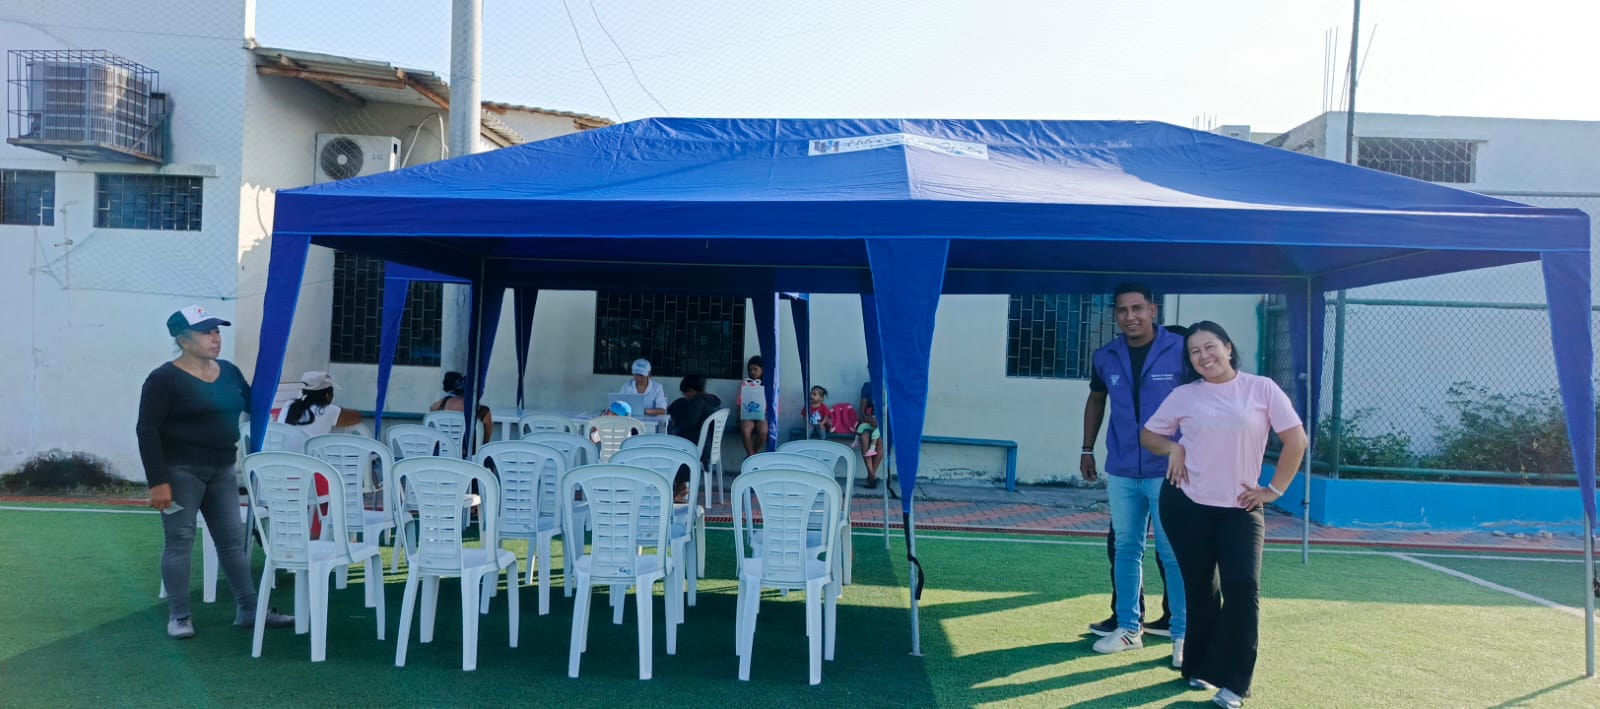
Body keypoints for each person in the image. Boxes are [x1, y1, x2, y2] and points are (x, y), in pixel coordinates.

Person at [1142, 321, 1308, 708]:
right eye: (1194, 352)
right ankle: (1199, 667)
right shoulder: (1184, 395)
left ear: (1228, 348)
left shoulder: (1262, 388)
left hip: (1241, 509)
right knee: (1201, 590)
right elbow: (1148, 436)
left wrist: (1274, 491)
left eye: (1210, 347)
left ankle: (1235, 683)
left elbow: (1296, 440)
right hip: (1186, 505)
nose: (1204, 356)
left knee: (1243, 589)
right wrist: (1174, 449)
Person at [135, 305, 293, 639]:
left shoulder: (230, 372)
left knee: (232, 542)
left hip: (222, 468)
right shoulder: (163, 379)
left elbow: (254, 403)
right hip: (179, 472)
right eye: (206, 332)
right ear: (183, 340)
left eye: (217, 331)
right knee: (180, 541)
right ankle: (179, 616)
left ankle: (249, 610)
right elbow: (146, 430)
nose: (215, 338)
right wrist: (157, 482)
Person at [1080, 283, 1186, 663]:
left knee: (1172, 553)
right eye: (1122, 310)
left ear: (1153, 310)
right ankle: (1128, 629)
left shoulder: (1180, 350)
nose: (1131, 317)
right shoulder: (1105, 356)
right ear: (1115, 315)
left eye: (1138, 308)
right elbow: (1096, 400)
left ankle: (1183, 636)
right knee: (1126, 548)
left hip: (1169, 471)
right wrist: (1087, 448)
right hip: (1123, 471)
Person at [667, 374, 723, 501]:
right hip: (710, 446)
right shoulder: (712, 401)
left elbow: (690, 422)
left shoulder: (698, 401)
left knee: (674, 447)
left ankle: (682, 486)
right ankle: (680, 486)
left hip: (700, 448)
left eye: (685, 393)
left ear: (691, 390)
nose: (686, 397)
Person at [276, 370, 363, 436]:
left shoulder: (288, 404)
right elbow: (357, 417)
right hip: (308, 455)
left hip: (283, 454)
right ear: (327, 395)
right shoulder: (328, 410)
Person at [430, 371, 492, 444]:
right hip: (469, 450)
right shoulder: (482, 411)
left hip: (444, 449)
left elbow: (431, 411)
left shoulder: (440, 405)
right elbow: (485, 442)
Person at [738, 356, 770, 456]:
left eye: (755, 369)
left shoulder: (768, 384)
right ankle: (751, 457)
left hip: (762, 415)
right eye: (750, 369)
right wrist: (738, 414)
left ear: (762, 369)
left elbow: (773, 402)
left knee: (763, 432)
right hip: (748, 415)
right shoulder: (746, 383)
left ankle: (751, 456)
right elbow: (740, 401)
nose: (752, 372)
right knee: (745, 430)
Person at [857, 380, 884, 488]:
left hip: (883, 424)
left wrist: (880, 422)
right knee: (864, 438)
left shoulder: (891, 386)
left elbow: (894, 412)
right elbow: (862, 411)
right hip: (869, 422)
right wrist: (869, 420)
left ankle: (870, 477)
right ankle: (872, 476)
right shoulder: (868, 387)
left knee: (881, 441)